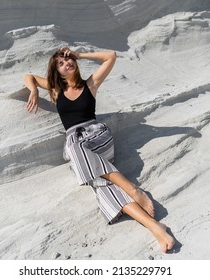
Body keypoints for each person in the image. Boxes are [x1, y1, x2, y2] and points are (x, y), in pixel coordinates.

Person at [23, 47, 175, 253]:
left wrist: (79, 54)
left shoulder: (90, 84)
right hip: (78, 147)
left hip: (97, 138)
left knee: (74, 150)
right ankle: (155, 227)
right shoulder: (55, 89)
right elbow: (28, 76)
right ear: (57, 71)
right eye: (60, 63)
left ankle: (134, 190)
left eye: (68, 60)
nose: (66, 63)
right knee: (102, 187)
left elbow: (111, 56)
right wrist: (33, 90)